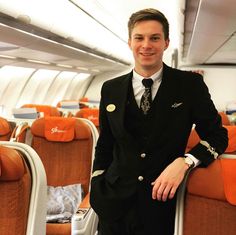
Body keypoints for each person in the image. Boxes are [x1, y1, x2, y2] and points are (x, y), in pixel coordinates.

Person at [90, 8, 228, 235]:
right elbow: (106, 144)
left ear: (166, 43)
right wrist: (97, 183)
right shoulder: (110, 88)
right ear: (129, 42)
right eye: (139, 38)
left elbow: (217, 135)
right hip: (113, 204)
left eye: (154, 38)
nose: (146, 45)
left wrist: (185, 162)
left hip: (161, 204)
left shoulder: (189, 85)